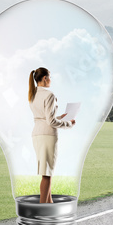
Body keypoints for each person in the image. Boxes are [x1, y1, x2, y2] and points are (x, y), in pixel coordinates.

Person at [28, 67, 76, 203]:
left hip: (37, 133)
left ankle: (49, 204)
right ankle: (43, 208)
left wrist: (61, 117)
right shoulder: (49, 95)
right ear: (45, 78)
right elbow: (51, 121)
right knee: (47, 174)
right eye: (50, 77)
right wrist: (68, 124)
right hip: (47, 135)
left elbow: (44, 117)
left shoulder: (32, 94)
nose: (50, 80)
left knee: (46, 171)